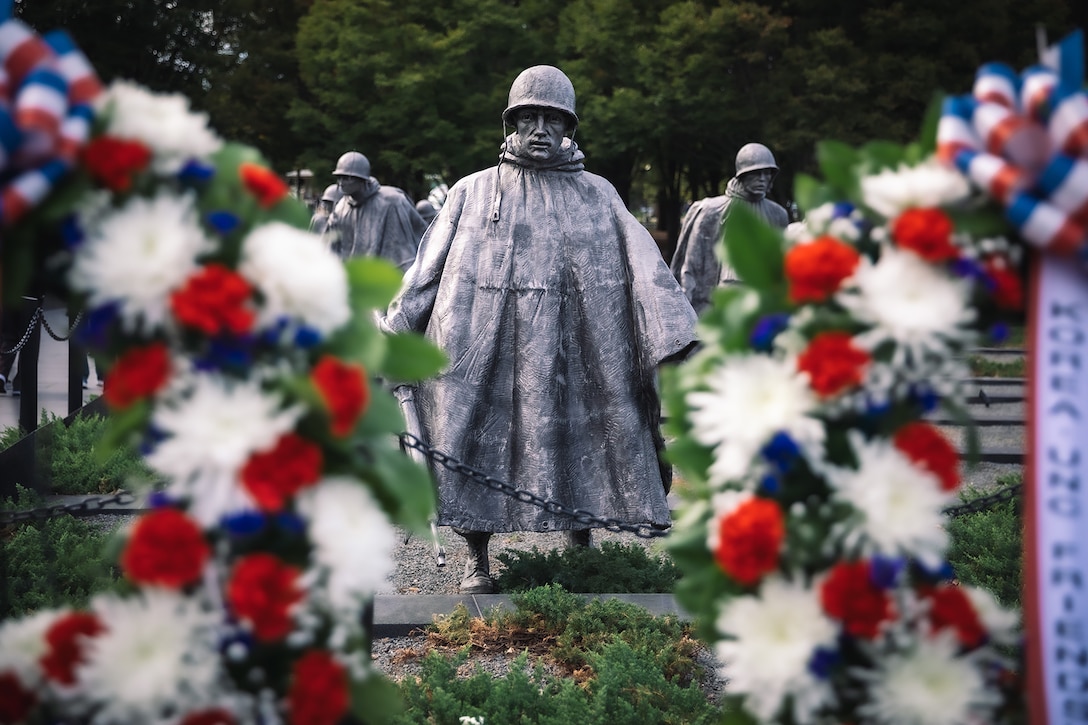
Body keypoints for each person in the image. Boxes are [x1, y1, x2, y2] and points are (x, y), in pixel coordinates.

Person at [382, 65, 698, 594]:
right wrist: (398, 328)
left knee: (586, 433)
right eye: (529, 118)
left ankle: (582, 543)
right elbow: (426, 269)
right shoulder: (472, 191)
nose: (540, 130)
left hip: (578, 344)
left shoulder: (599, 194)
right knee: (469, 440)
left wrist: (675, 335)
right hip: (482, 344)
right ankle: (477, 559)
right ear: (512, 122)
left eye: (552, 120)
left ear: (569, 127)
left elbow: (645, 263)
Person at [669, 143, 789, 313]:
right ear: (742, 175)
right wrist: (685, 307)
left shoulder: (778, 214)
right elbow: (692, 264)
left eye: (767, 173)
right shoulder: (712, 210)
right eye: (755, 173)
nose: (762, 178)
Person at [321, 151, 429, 271]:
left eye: (347, 178)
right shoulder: (340, 208)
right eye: (339, 177)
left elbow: (420, 235)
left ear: (362, 179)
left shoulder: (391, 201)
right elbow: (331, 247)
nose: (341, 182)